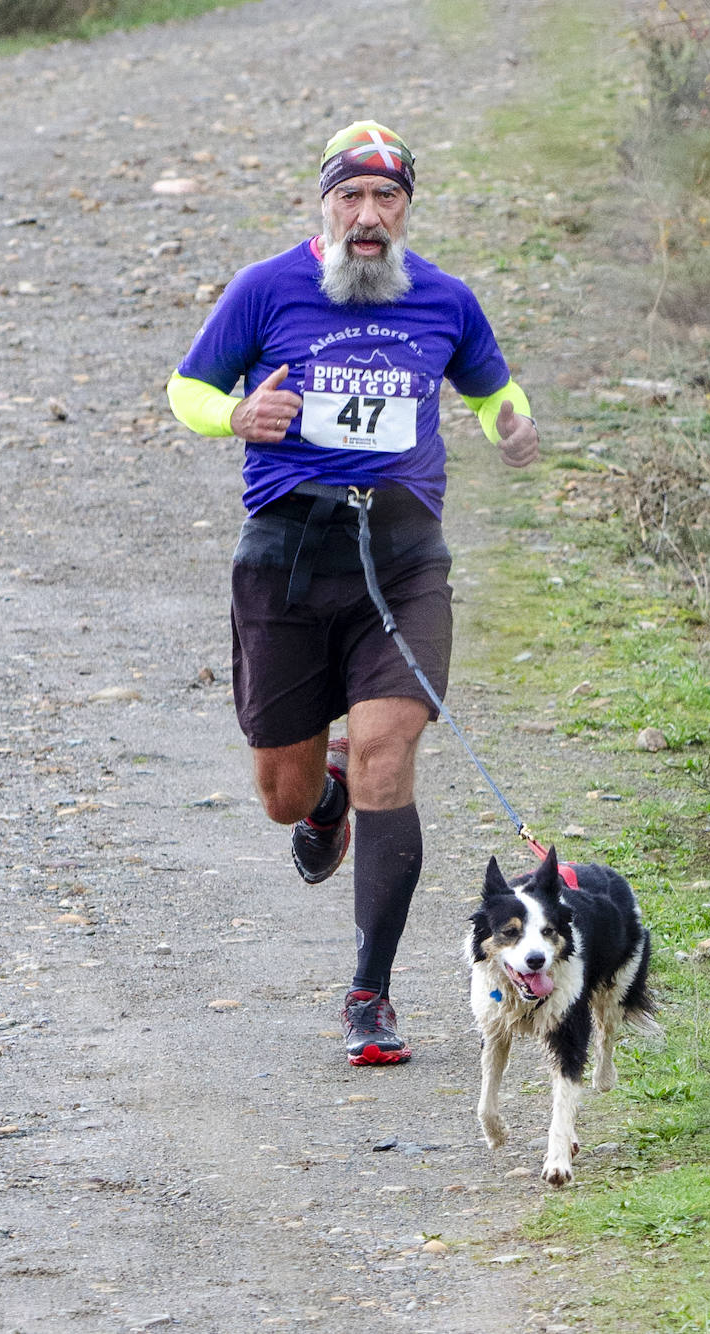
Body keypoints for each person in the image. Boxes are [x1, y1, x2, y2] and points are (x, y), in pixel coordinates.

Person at [167, 119, 538, 1066]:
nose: (368, 217)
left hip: (405, 561)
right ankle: (321, 793)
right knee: (283, 798)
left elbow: (494, 390)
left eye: (388, 199)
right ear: (323, 204)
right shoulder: (266, 289)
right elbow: (186, 390)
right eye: (352, 197)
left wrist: (512, 425)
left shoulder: (444, 301)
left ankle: (370, 993)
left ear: (407, 208)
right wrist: (239, 414)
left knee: (384, 753)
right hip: (287, 558)